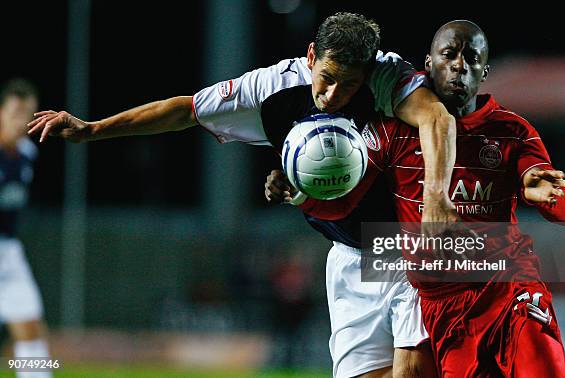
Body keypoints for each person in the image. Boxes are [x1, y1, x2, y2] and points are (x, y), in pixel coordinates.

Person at [28, 12, 452, 378]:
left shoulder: (387, 77)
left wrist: (436, 195)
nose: (334, 94)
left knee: (414, 368)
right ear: (310, 57)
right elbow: (186, 110)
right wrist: (95, 129)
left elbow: (436, 118)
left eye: (350, 84)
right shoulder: (273, 88)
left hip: (405, 244)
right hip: (345, 254)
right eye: (327, 78)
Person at [269, 20, 565, 376]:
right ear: (428, 65)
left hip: (509, 286)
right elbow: (343, 200)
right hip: (443, 305)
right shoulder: (393, 130)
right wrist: (300, 194)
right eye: (449, 55)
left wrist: (545, 197)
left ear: (484, 71)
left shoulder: (511, 130)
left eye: (472, 58)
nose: (460, 65)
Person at [0, 78, 53, 378]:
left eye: (28, 114)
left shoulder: (27, 154)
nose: (21, 121)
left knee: (31, 329)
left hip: (8, 252)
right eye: (15, 113)